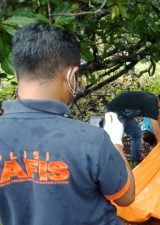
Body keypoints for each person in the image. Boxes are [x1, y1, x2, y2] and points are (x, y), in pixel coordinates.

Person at [0, 23, 135, 225]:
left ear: (17, 73)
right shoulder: (92, 140)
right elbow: (126, 197)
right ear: (71, 76)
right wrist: (115, 142)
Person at [105, 89, 160, 164]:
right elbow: (157, 131)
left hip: (124, 114)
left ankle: (135, 161)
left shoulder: (153, 100)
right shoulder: (151, 105)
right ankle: (115, 165)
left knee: (137, 134)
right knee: (117, 141)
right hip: (114, 113)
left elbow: (159, 118)